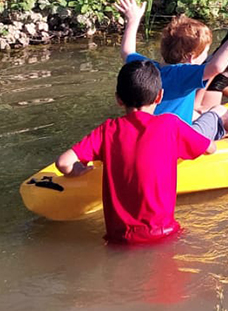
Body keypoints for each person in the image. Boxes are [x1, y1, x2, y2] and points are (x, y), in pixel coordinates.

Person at [55, 59, 218, 244]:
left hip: (118, 240)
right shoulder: (170, 125)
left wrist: (77, 170)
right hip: (164, 234)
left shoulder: (107, 130)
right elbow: (210, 148)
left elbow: (63, 162)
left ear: (118, 99)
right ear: (160, 96)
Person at [115, 0, 228, 138]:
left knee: (197, 113)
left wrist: (133, 19)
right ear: (190, 58)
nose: (207, 55)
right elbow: (217, 67)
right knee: (220, 111)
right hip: (179, 139)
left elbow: (127, 51)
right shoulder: (184, 74)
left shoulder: (147, 70)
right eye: (206, 51)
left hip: (153, 133)